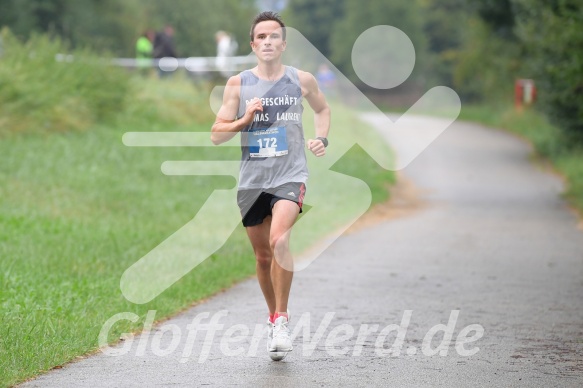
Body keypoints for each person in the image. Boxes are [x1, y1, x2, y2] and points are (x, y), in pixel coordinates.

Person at [211, 11, 330, 360]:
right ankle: (271, 316)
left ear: (283, 43)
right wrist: (245, 119)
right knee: (263, 257)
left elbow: (322, 110)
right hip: (252, 182)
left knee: (280, 240)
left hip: (290, 176)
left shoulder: (301, 80)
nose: (267, 42)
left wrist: (322, 138)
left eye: (273, 36)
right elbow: (216, 135)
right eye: (261, 37)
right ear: (252, 44)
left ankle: (282, 319)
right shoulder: (238, 84)